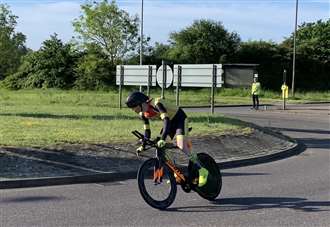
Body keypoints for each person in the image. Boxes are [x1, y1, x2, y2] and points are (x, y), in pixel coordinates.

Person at [125, 91, 209, 187]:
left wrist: (163, 139)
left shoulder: (157, 103)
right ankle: (176, 174)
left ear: (141, 103)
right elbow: (147, 131)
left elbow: (166, 120)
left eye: (134, 107)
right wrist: (143, 146)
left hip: (179, 119)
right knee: (161, 148)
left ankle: (202, 170)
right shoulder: (143, 114)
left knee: (181, 145)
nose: (133, 110)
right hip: (169, 124)